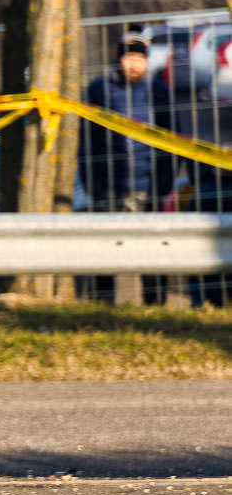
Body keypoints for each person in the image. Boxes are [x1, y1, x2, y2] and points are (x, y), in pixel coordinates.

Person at [79, 32, 179, 304]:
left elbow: (174, 141)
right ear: (118, 59)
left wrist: (164, 183)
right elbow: (86, 142)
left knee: (153, 251)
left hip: (149, 187)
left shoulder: (159, 91)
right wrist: (93, 184)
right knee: (105, 250)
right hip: (109, 187)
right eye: (129, 57)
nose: (134, 64)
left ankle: (154, 304)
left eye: (139, 58)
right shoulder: (98, 90)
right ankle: (103, 305)